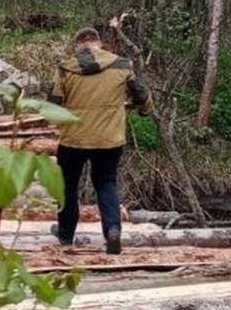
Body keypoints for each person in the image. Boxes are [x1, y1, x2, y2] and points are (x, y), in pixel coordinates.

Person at [49, 27, 153, 254]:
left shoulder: (66, 68)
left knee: (67, 185)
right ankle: (112, 230)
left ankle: (66, 235)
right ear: (99, 44)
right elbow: (141, 95)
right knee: (106, 183)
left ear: (79, 45)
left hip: (73, 138)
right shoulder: (122, 65)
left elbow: (54, 103)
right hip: (109, 138)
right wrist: (144, 110)